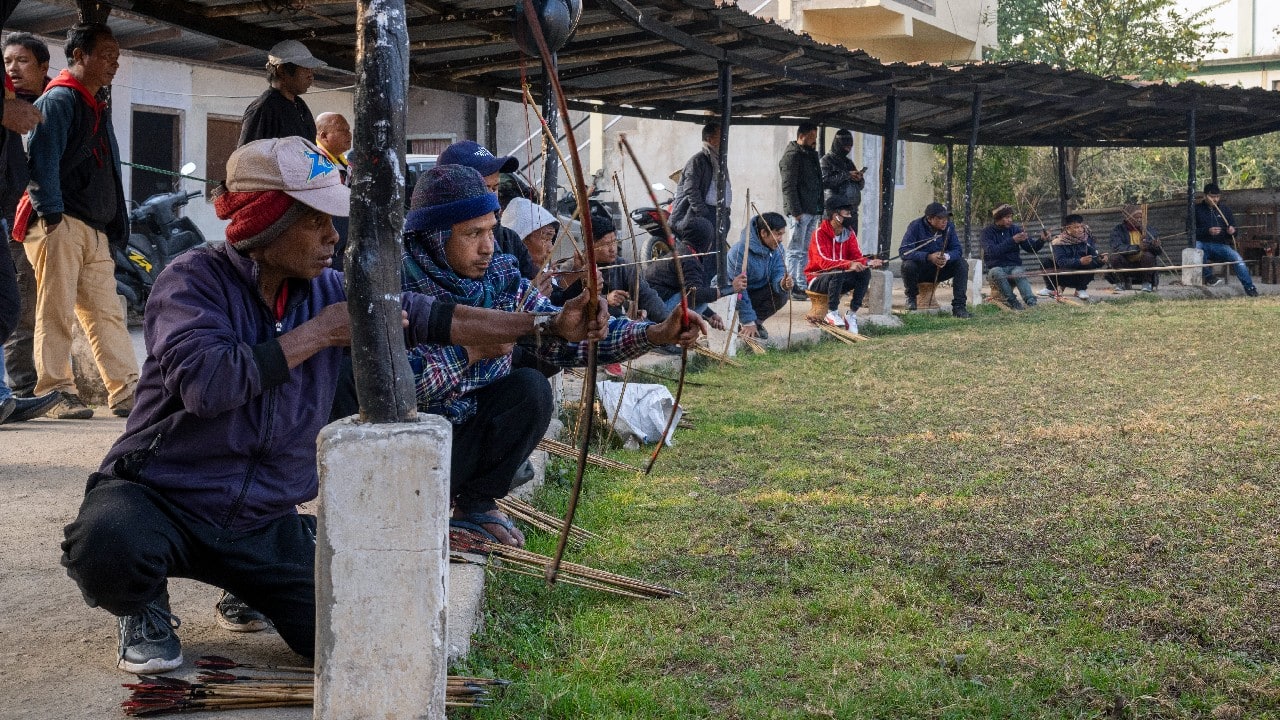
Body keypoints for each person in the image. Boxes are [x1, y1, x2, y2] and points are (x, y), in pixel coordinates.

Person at [60, 135, 610, 676]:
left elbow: (433, 316)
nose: (332, 236)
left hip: (258, 519)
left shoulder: (329, 288)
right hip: (165, 498)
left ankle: (245, 580)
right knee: (107, 540)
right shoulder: (193, 281)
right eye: (315, 221)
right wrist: (318, 334)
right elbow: (209, 386)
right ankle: (142, 604)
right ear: (266, 223)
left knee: (351, 634)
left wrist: (546, 323)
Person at [400, 164, 706, 545]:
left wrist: (657, 333)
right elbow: (397, 387)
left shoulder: (499, 276)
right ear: (434, 236)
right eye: (471, 234)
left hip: (462, 440)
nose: (487, 247)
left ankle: (474, 505)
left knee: (529, 389)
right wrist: (471, 353)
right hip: (405, 455)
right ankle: (419, 512)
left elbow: (564, 334)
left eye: (491, 231)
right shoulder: (397, 284)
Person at [13, 23, 138, 419]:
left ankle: (127, 390)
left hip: (92, 227)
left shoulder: (95, 101)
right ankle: (55, 391)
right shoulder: (61, 99)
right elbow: (42, 162)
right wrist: (51, 215)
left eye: (116, 57)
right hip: (59, 221)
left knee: (106, 312)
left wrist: (115, 223)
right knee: (56, 310)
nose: (113, 64)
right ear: (78, 56)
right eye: (105, 55)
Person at [0, 31, 58, 423]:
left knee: (16, 304)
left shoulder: (53, 102)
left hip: (22, 213)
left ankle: (8, 392)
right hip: (20, 218)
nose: (13, 69)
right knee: (13, 303)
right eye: (8, 62)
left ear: (43, 67)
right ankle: (17, 385)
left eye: (22, 61)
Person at [438, 140, 537, 280]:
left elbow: (535, 288)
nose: (487, 249)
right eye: (484, 188)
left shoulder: (509, 239)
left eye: (495, 188)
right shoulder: (436, 245)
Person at [551, 212, 668, 323]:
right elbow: (564, 302)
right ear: (590, 245)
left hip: (615, 325)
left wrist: (667, 321)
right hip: (583, 328)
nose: (613, 248)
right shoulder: (573, 266)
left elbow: (647, 296)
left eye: (615, 241)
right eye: (606, 244)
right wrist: (605, 299)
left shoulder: (624, 266)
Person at [645, 218, 747, 332]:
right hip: (656, 312)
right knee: (702, 297)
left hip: (654, 306)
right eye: (710, 239)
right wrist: (731, 289)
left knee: (700, 297)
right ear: (704, 240)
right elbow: (695, 294)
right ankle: (667, 336)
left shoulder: (683, 251)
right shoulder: (688, 259)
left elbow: (688, 293)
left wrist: (710, 315)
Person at [805, 196, 884, 329]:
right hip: (817, 279)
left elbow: (857, 257)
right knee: (839, 270)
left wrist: (869, 262)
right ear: (836, 216)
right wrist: (849, 264)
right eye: (847, 213)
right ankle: (832, 313)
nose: (850, 216)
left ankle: (851, 314)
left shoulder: (849, 233)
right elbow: (823, 262)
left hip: (838, 278)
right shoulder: (819, 234)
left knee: (864, 273)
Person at [238, 39, 324, 147]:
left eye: (312, 70)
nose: (311, 76)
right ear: (281, 70)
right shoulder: (264, 109)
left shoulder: (301, 106)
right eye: (306, 69)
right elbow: (246, 158)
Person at [725, 211, 792, 339]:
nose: (780, 239)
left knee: (782, 294)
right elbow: (739, 289)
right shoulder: (739, 252)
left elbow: (778, 272)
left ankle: (756, 323)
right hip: (733, 295)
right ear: (763, 233)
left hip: (755, 293)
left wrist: (782, 283)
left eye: (782, 234)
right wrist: (747, 320)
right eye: (777, 234)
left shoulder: (777, 248)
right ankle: (745, 323)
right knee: (737, 293)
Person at [899, 202, 970, 318]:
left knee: (962, 264)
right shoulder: (915, 226)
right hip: (921, 270)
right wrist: (928, 257)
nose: (944, 221)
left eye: (946, 217)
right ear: (929, 219)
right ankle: (911, 298)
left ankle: (959, 307)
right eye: (940, 218)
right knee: (907, 265)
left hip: (940, 268)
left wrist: (946, 257)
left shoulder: (949, 227)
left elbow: (957, 249)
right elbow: (904, 251)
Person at [668, 122, 729, 254]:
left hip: (717, 213)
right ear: (709, 139)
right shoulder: (698, 161)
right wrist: (703, 213)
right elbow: (690, 189)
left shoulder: (719, 160)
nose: (724, 140)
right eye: (720, 136)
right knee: (704, 256)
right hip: (703, 216)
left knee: (716, 255)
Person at [778, 123, 821, 296]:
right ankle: (790, 284)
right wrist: (795, 211)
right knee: (795, 250)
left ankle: (800, 284)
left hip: (811, 209)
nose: (814, 141)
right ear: (802, 135)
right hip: (800, 211)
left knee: (804, 250)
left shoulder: (809, 155)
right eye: (812, 136)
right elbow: (788, 185)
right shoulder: (793, 155)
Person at [1195, 183, 1258, 296]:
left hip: (1220, 246)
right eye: (1212, 196)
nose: (1215, 199)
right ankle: (1210, 278)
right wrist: (1207, 231)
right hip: (1203, 244)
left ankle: (1250, 288)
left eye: (1217, 196)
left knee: (1237, 258)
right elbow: (1191, 231)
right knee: (1196, 247)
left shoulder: (1225, 209)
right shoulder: (1196, 210)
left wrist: (1232, 231)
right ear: (1205, 196)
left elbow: (1234, 230)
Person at [980, 203, 1045, 310]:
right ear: (998, 218)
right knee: (997, 272)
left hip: (1014, 267)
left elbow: (1030, 248)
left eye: (1011, 217)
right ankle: (1012, 301)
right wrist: (1012, 240)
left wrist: (1042, 240)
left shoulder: (1015, 229)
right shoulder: (986, 233)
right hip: (995, 269)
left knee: (1018, 272)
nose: (1010, 220)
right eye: (1007, 217)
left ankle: (1031, 302)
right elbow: (992, 252)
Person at [820, 128, 864, 277]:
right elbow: (824, 181)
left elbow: (860, 185)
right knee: (831, 244)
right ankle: (831, 275)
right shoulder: (826, 160)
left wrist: (859, 178)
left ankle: (848, 274)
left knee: (850, 243)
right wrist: (846, 175)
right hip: (834, 210)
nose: (848, 150)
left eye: (850, 147)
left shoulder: (848, 162)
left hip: (851, 210)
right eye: (845, 147)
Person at [313, 112, 351, 271]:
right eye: (342, 130)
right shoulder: (315, 163)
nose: (349, 135)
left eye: (349, 130)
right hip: (327, 248)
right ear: (324, 136)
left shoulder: (344, 162)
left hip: (343, 247)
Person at [501, 195, 559, 295]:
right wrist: (532, 299)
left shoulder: (543, 276)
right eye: (545, 239)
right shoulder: (502, 278)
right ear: (521, 240)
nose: (551, 249)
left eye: (551, 239)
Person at [1043, 214, 1103, 300]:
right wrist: (1079, 261)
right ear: (1067, 228)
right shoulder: (1058, 242)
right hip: (1063, 277)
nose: (1080, 230)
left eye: (1081, 227)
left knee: (1089, 261)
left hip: (1080, 277)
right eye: (1076, 227)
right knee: (1046, 262)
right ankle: (1051, 288)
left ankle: (1080, 289)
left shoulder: (1087, 239)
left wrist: (1101, 260)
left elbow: (1094, 257)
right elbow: (1061, 262)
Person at [1108, 204, 1159, 293]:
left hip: (1144, 264)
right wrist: (1138, 247)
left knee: (1148, 255)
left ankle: (1147, 283)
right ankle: (1121, 282)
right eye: (1136, 217)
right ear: (1127, 218)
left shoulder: (1149, 229)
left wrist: (1155, 246)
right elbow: (1117, 247)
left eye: (1141, 218)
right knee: (1114, 257)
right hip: (1126, 263)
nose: (1139, 220)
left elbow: (1158, 252)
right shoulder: (1118, 230)